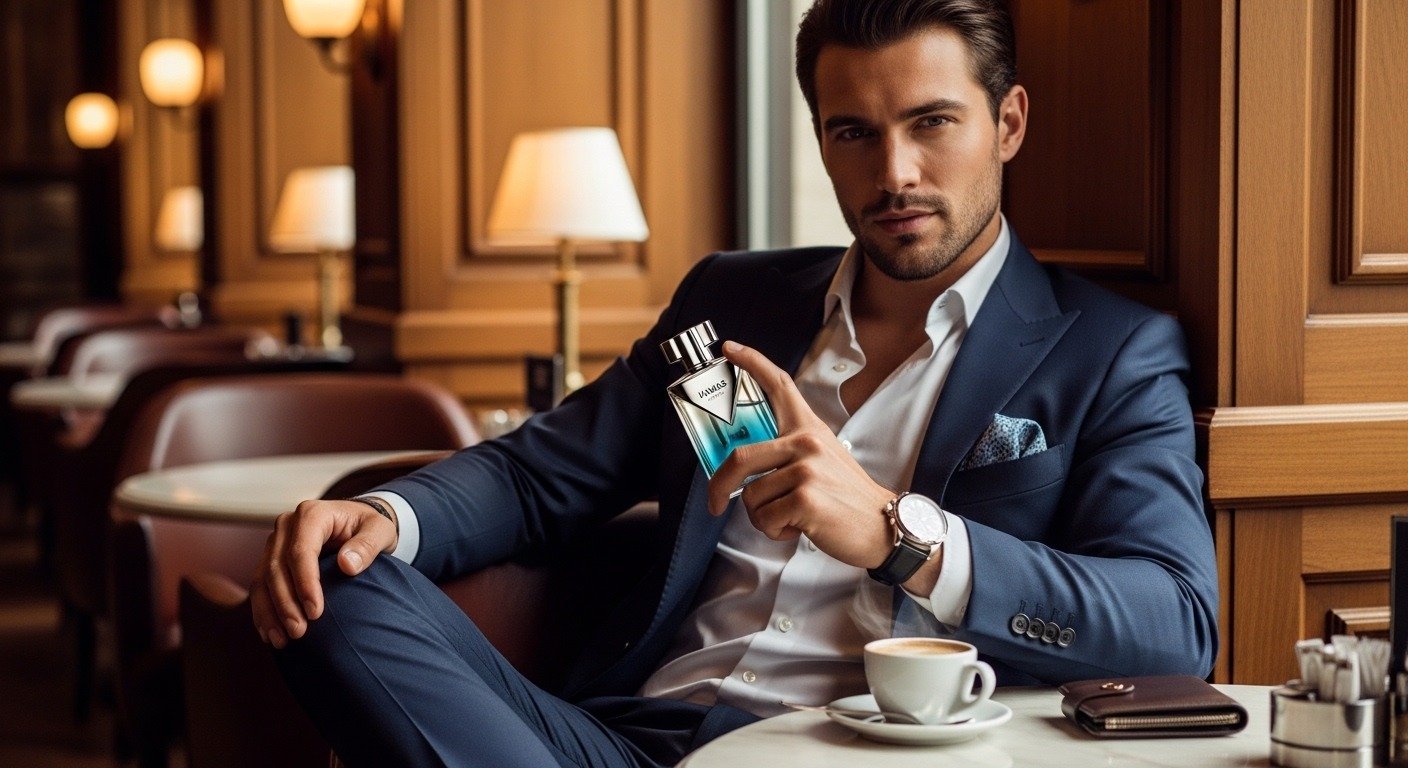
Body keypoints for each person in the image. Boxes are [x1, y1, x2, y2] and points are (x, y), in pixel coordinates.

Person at [252, 0, 1219, 765]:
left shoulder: (1109, 349)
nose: (896, 173)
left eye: (933, 123)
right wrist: (384, 515)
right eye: (853, 133)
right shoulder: (737, 306)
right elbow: (539, 474)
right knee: (333, 580)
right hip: (626, 738)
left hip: (861, 756)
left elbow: (1173, 627)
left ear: (1007, 122)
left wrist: (895, 532)